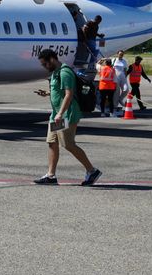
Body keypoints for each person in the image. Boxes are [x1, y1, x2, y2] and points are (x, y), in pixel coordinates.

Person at [32, 49, 101, 186]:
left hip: (66, 114)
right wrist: (47, 93)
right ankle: (51, 176)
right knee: (52, 142)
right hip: (56, 115)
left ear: (52, 59)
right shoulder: (56, 73)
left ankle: (92, 170)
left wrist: (60, 114)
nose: (44, 67)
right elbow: (60, 91)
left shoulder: (64, 72)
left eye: (44, 63)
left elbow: (69, 94)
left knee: (68, 144)